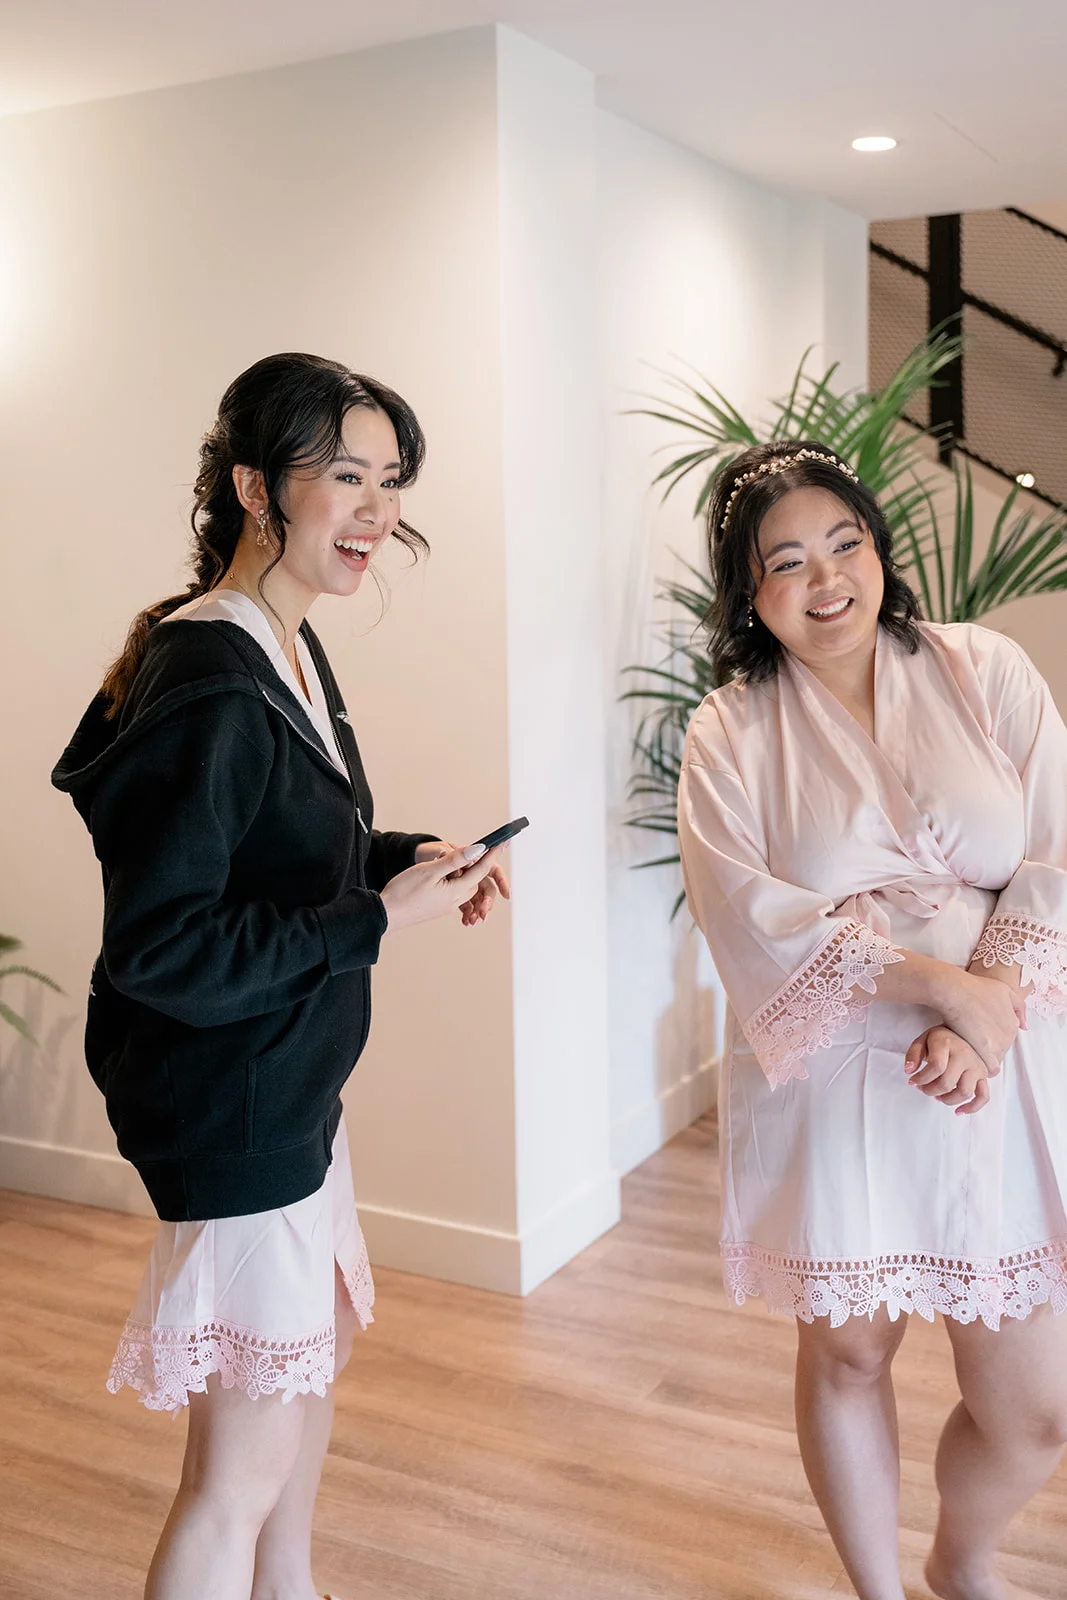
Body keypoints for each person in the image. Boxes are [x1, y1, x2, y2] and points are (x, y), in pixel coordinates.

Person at [52, 352, 509, 1600]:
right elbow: (166, 945)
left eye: (391, 480)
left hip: (290, 1081)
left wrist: (400, 857)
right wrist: (372, 920)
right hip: (234, 1099)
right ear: (257, 488)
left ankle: (289, 1586)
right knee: (234, 1470)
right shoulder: (211, 673)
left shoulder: (284, 648)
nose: (377, 509)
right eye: (344, 475)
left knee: (308, 1360)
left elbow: (273, 849)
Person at [677, 440, 1067, 1600]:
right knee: (850, 1346)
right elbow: (747, 908)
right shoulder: (729, 729)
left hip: (1003, 1050)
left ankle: (960, 1558)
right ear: (748, 594)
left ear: (876, 545)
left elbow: (1053, 843)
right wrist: (933, 988)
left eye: (842, 542)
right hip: (842, 1061)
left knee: (1035, 1405)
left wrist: (981, 1009)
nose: (826, 578)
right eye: (785, 562)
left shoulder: (980, 668)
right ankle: (877, 1592)